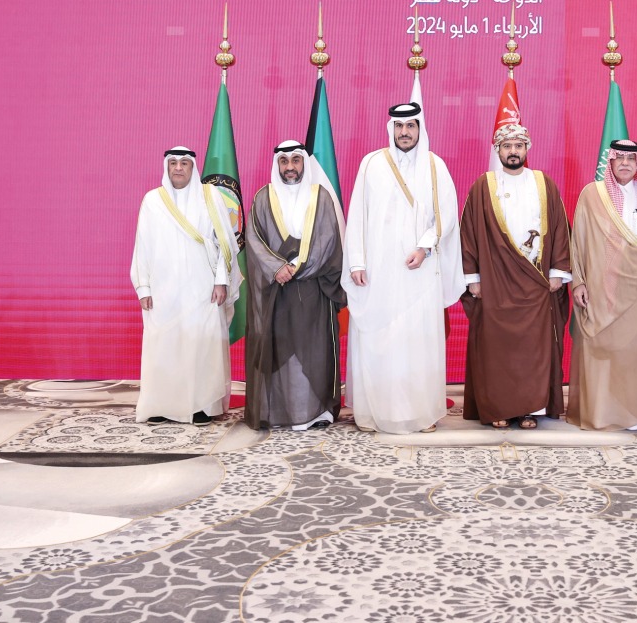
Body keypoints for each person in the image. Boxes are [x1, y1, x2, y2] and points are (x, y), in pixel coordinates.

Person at [341, 103, 464, 434]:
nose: (405, 132)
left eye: (411, 126)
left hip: (419, 272)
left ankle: (419, 414)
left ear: (419, 129)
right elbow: (358, 215)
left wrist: (424, 247)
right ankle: (372, 412)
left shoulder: (434, 166)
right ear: (390, 128)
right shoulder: (371, 164)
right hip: (377, 273)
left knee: (416, 341)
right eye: (399, 126)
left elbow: (447, 215)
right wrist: (356, 261)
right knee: (379, 338)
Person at [460, 124, 571, 429]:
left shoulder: (543, 183)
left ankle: (528, 409)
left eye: (518, 145)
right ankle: (497, 407)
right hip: (495, 281)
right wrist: (473, 278)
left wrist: (558, 272)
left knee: (532, 347)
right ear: (497, 150)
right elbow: (468, 234)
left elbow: (561, 229)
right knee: (497, 346)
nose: (512, 151)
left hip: (536, 280)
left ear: (527, 149)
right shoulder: (483, 185)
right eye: (506, 146)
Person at [568, 139, 637, 431]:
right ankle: (603, 413)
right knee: (604, 347)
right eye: (620, 158)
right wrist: (578, 281)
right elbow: (577, 241)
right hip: (601, 284)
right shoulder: (593, 195)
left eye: (631, 159)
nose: (625, 164)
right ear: (610, 162)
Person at [131, 147, 241, 425]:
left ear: (193, 167)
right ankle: (160, 405)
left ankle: (201, 405)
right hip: (163, 289)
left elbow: (224, 243)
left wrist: (221, 281)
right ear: (167, 167)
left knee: (200, 345)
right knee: (164, 345)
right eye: (173, 163)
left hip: (202, 288)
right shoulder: (153, 200)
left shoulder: (210, 196)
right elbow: (142, 246)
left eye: (184, 163)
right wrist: (143, 287)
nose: (178, 168)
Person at [244, 140, 347, 431]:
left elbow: (327, 241)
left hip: (313, 288)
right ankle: (278, 412)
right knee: (279, 350)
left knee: (314, 349)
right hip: (276, 289)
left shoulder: (321, 196)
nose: (290, 167)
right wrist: (277, 268)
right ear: (277, 164)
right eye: (284, 161)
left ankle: (317, 412)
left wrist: (298, 268)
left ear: (304, 163)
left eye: (295, 161)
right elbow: (253, 240)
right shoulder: (262, 198)